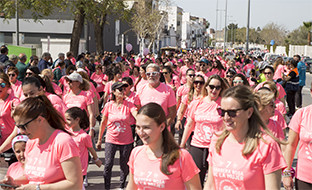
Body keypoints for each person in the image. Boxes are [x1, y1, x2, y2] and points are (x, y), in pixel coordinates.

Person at [204, 85, 287, 190]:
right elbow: (210, 185)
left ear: (249, 112)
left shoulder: (266, 145)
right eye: (222, 112)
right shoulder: (217, 140)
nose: (226, 117)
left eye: (232, 112)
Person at [3, 95, 83, 189]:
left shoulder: (63, 142)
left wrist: (38, 188)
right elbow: (32, 176)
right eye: (18, 127)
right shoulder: (31, 142)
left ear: (40, 120)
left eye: (23, 126)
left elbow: (75, 184)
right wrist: (14, 182)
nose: (21, 131)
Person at [126, 103, 201, 190]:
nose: (141, 133)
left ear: (161, 127)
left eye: (146, 128)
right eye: (138, 127)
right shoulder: (136, 153)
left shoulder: (182, 156)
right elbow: (131, 187)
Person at [180, 74, 228, 186]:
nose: (214, 90)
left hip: (217, 146)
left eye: (218, 87)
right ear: (206, 87)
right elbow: (189, 124)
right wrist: (182, 145)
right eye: (211, 87)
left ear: (221, 89)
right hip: (198, 146)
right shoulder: (196, 103)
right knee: (196, 180)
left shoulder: (224, 104)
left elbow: (229, 126)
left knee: (215, 180)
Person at [96, 82, 137, 190]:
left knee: (124, 165)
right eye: (120, 90)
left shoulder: (129, 104)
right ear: (113, 92)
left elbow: (136, 115)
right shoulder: (108, 105)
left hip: (126, 140)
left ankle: (122, 186)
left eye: (124, 89)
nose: (123, 92)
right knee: (108, 164)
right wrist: (99, 140)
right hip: (111, 139)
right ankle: (107, 187)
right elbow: (103, 123)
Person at [282, 82, 312, 190]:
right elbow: (290, 145)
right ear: (311, 93)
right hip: (305, 178)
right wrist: (287, 173)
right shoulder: (302, 114)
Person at [65, 107, 102, 187]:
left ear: (77, 120)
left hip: (80, 169)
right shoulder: (65, 133)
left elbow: (91, 149)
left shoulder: (84, 136)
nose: (66, 122)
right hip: (67, 167)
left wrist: (96, 159)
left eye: (68, 119)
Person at [0, 73, 20, 145]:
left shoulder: (14, 101)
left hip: (10, 143)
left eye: (2, 85)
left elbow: (20, 119)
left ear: (8, 86)